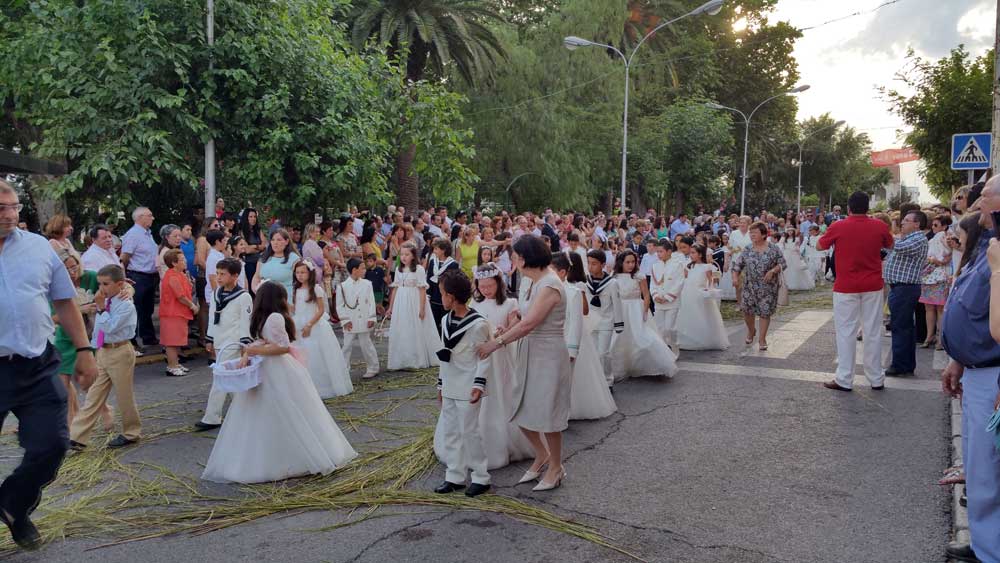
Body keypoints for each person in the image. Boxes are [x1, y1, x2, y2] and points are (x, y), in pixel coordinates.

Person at [0, 181, 97, 550]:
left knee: (53, 444)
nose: (10, 215)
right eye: (0, 209)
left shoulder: (39, 248)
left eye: (14, 207)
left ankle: (12, 503)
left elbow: (65, 302)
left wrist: (85, 350)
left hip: (36, 364)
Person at [202, 282, 358, 484]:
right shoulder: (272, 317)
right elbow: (280, 346)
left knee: (282, 409)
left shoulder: (266, 318)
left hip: (277, 368)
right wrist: (252, 350)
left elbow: (282, 347)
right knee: (276, 410)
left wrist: (253, 350)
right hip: (271, 366)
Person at [477, 235, 572, 492]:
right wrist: (509, 324)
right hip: (528, 349)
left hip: (549, 353)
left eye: (515, 256)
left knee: (547, 413)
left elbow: (531, 323)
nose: (512, 261)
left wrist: (496, 343)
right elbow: (524, 318)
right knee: (519, 408)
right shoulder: (532, 281)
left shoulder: (550, 284)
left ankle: (556, 467)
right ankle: (541, 456)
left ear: (524, 257)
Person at [941, 176, 1000, 563]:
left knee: (988, 469)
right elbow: (970, 302)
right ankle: (985, 541)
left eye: (984, 197)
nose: (976, 203)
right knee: (981, 467)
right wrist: (957, 359)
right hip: (977, 369)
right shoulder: (987, 244)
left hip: (994, 373)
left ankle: (990, 551)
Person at [441, 263, 533, 469]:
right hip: (477, 355)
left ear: (498, 284)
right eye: (482, 286)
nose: (486, 290)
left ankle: (503, 442)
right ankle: (468, 444)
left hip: (498, 353)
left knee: (500, 394)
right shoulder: (474, 303)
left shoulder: (509, 303)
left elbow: (515, 324)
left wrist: (504, 330)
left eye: (490, 286)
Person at [818, 192, 894, 392]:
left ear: (848, 208)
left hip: (846, 286)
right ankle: (876, 378)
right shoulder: (879, 225)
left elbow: (820, 245)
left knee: (846, 332)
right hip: (872, 285)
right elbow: (890, 244)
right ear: (867, 208)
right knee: (873, 331)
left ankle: (844, 378)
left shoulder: (838, 226)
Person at [431, 270, 492, 497]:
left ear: (452, 296)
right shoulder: (445, 320)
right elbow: (444, 355)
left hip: (468, 386)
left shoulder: (478, 325)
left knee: (470, 432)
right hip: (450, 385)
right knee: (451, 431)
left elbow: (483, 357)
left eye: (442, 294)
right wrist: (440, 385)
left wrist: (479, 385)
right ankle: (455, 475)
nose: (440, 298)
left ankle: (480, 476)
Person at [69, 265, 141, 451]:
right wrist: (95, 349)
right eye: (100, 284)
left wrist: (101, 309)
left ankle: (131, 432)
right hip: (103, 351)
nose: (102, 288)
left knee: (124, 394)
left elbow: (110, 327)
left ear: (119, 284)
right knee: (94, 394)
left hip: (120, 350)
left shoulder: (126, 305)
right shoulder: (107, 300)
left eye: (106, 284)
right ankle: (77, 436)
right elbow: (99, 331)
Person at [551, 253, 617, 420]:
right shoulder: (546, 290)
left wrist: (572, 350)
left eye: (550, 271)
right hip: (551, 339)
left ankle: (565, 412)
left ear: (562, 272)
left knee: (570, 377)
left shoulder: (573, 292)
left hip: (568, 338)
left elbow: (578, 319)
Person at [196, 258, 253, 431]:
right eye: (218, 273)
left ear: (235, 276)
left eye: (223, 274)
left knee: (220, 377)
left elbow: (246, 321)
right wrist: (210, 338)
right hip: (220, 340)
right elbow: (214, 317)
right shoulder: (216, 293)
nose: (219, 277)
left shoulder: (244, 296)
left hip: (233, 342)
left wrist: (245, 343)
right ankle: (247, 411)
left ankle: (212, 416)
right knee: (232, 379)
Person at [610, 249, 678, 379]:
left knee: (642, 337)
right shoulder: (614, 277)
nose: (631, 265)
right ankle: (623, 366)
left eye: (633, 262)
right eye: (627, 262)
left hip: (636, 308)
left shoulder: (639, 276)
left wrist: (645, 311)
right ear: (621, 263)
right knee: (620, 338)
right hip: (621, 310)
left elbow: (646, 295)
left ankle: (653, 364)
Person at [291, 260, 353, 398]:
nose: (299, 275)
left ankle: (322, 386)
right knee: (302, 354)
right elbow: (296, 308)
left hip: (314, 324)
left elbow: (320, 310)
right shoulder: (296, 289)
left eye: (303, 272)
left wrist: (309, 324)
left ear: (310, 273)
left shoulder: (316, 289)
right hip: (299, 322)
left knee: (316, 354)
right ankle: (305, 386)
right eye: (297, 273)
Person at [884, 210, 930, 377]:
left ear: (917, 224)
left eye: (906, 220)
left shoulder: (918, 238)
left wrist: (884, 234)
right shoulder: (910, 238)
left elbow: (898, 247)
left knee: (900, 327)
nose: (902, 223)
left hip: (905, 288)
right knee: (906, 328)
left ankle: (899, 365)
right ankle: (906, 364)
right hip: (901, 288)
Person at [731, 222, 786, 351]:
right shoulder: (748, 249)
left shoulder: (774, 248)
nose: (751, 235)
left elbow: (783, 264)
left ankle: (762, 339)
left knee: (765, 313)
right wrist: (735, 278)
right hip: (749, 286)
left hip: (768, 287)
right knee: (747, 311)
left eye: (755, 233)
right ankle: (751, 330)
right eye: (751, 233)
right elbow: (738, 265)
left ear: (764, 234)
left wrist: (773, 271)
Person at [386, 243, 441, 370]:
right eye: (402, 254)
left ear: (413, 256)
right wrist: (391, 307)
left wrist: (421, 309)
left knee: (414, 326)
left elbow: (422, 290)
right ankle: (403, 358)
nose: (404, 257)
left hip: (414, 300)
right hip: (401, 301)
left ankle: (417, 357)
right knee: (403, 327)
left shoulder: (419, 269)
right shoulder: (399, 270)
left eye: (407, 254)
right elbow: (395, 289)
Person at [675, 243, 730, 351]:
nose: (691, 255)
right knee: (688, 315)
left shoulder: (706, 267)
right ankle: (687, 338)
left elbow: (710, 281)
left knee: (701, 316)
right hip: (688, 293)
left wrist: (708, 289)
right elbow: (684, 278)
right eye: (690, 253)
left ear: (700, 255)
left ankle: (703, 339)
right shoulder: (688, 265)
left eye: (693, 253)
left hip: (699, 293)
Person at [582, 249, 624, 389]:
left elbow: (617, 304)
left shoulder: (612, 283)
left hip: (606, 321)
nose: (590, 266)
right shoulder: (585, 281)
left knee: (603, 353)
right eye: (589, 263)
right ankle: (596, 380)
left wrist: (619, 324)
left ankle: (607, 381)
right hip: (591, 322)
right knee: (593, 353)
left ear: (603, 264)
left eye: (594, 264)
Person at [120, 206, 159, 348]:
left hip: (149, 275)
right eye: (150, 215)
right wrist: (124, 276)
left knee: (147, 308)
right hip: (137, 275)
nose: (152, 218)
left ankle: (148, 336)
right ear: (140, 217)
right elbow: (125, 257)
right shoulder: (133, 234)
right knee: (136, 308)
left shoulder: (147, 234)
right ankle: (132, 340)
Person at [159, 250, 198, 377]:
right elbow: (180, 296)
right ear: (174, 263)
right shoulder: (172, 277)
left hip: (178, 312)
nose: (185, 261)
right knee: (171, 342)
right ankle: (172, 365)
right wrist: (192, 305)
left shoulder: (179, 274)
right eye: (182, 260)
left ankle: (175, 363)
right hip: (172, 313)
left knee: (176, 341)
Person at [339, 258, 379, 379]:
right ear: (354, 270)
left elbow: (372, 301)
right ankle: (343, 369)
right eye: (362, 268)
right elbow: (339, 305)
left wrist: (372, 317)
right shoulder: (342, 286)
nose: (364, 270)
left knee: (366, 344)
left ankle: (373, 367)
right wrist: (345, 320)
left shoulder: (367, 284)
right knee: (346, 346)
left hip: (364, 319)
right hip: (350, 321)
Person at [920, 215, 952, 350]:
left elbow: (946, 257)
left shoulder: (947, 238)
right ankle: (930, 335)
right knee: (929, 307)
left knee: (939, 308)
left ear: (944, 226)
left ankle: (940, 337)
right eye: (932, 225)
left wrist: (935, 260)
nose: (933, 228)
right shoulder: (933, 239)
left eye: (936, 225)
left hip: (941, 275)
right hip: (930, 276)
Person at [650, 240, 686, 351]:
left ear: (669, 251)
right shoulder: (655, 266)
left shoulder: (677, 265)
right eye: (657, 252)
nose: (658, 254)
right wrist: (655, 295)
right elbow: (652, 283)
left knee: (670, 328)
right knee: (660, 328)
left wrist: (667, 297)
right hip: (658, 302)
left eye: (661, 251)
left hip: (671, 302)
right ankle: (662, 351)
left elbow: (679, 283)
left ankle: (674, 348)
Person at [253, 228, 300, 296]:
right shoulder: (264, 258)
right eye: (273, 240)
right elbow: (256, 277)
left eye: (279, 240)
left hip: (285, 299)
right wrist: (256, 290)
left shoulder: (294, 259)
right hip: (265, 298)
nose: (275, 243)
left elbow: (301, 280)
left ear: (286, 241)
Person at [427, 239, 460, 330]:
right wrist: (428, 294)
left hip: (446, 298)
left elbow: (453, 283)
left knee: (445, 323)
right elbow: (429, 279)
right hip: (434, 297)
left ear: (443, 250)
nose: (434, 251)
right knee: (433, 323)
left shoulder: (453, 264)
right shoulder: (433, 262)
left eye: (436, 249)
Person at [239, 208, 265, 289]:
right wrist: (258, 246)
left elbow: (264, 245)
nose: (253, 219)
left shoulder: (258, 230)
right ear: (246, 218)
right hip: (249, 263)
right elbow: (247, 250)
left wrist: (254, 246)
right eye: (250, 217)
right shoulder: (242, 231)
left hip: (259, 262)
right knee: (251, 286)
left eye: (254, 217)